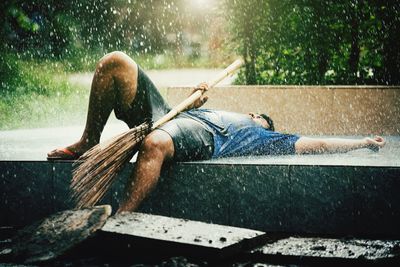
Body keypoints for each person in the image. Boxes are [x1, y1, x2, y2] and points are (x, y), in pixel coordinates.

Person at [47, 51, 386, 213]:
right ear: (253, 113)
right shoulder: (222, 112)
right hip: (171, 115)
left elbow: (315, 143)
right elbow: (174, 115)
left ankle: (123, 217)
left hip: (205, 139)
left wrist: (363, 143)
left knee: (156, 142)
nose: (261, 120)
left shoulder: (262, 138)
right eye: (261, 117)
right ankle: (88, 140)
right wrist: (197, 98)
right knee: (115, 63)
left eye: (266, 121)